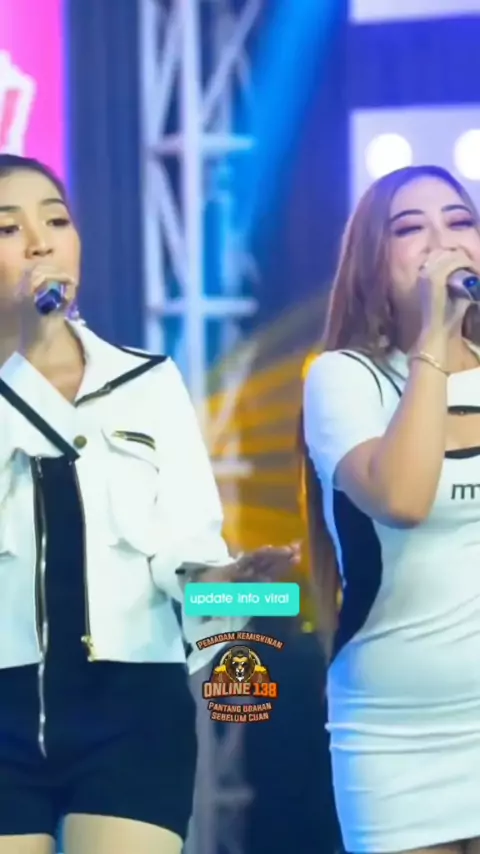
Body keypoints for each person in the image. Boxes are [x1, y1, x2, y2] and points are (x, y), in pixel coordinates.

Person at [0, 153, 299, 854]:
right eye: (8, 228)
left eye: (57, 221)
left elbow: (187, 550)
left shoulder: (149, 382)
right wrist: (26, 358)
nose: (41, 243)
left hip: (132, 703)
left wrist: (228, 583)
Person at [301, 164, 480, 854]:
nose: (443, 241)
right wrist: (435, 339)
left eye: (460, 221)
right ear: (374, 260)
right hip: (398, 739)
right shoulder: (346, 379)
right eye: (411, 228)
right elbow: (402, 499)